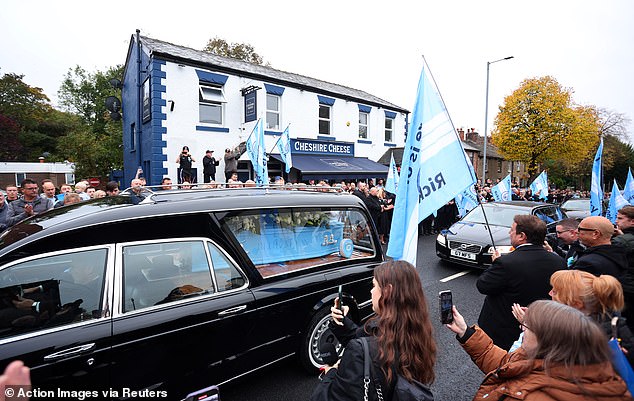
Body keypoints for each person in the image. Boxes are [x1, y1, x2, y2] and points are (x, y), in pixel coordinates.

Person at [446, 300, 630, 400]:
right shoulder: (578, 363)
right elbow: (506, 365)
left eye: (527, 326)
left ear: (547, 339)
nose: (522, 329)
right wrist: (465, 332)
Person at [310, 261, 436, 401]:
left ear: (387, 291)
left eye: (374, 285)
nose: (371, 291)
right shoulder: (415, 332)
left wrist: (331, 373)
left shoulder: (361, 350)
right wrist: (342, 321)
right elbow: (364, 340)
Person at [476, 214, 565, 350]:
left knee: (499, 366)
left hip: (503, 330)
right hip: (541, 329)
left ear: (522, 236)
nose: (509, 233)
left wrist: (495, 264)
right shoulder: (559, 261)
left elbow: (483, 286)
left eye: (512, 230)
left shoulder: (506, 262)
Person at [613, 205, 634, 331]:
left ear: (632, 221)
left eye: (620, 218)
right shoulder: (623, 238)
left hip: (627, 290)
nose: (616, 221)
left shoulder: (621, 241)